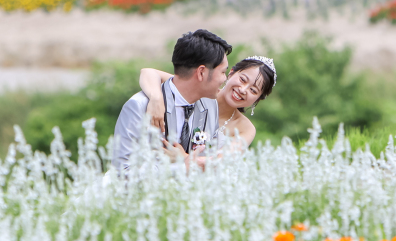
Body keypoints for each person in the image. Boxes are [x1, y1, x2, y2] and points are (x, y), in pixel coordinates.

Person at [112, 29, 232, 172]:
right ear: (201, 72)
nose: (225, 79)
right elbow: (123, 171)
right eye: (223, 72)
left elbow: (216, 160)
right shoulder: (139, 106)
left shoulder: (210, 105)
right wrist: (181, 168)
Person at [138, 55, 276, 149]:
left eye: (253, 90)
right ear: (231, 73)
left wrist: (185, 159)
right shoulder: (199, 90)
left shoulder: (245, 129)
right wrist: (156, 99)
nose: (243, 90)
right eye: (243, 79)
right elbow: (148, 72)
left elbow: (223, 160)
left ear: (258, 99)